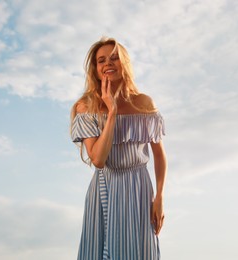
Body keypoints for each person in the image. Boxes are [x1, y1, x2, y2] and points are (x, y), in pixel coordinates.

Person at [70, 37, 167, 260]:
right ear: (95, 69)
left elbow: (159, 155)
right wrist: (112, 112)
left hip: (139, 187)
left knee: (141, 251)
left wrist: (159, 197)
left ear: (124, 63)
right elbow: (98, 159)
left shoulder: (144, 103)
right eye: (101, 60)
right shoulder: (85, 106)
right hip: (105, 186)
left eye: (114, 58)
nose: (108, 64)